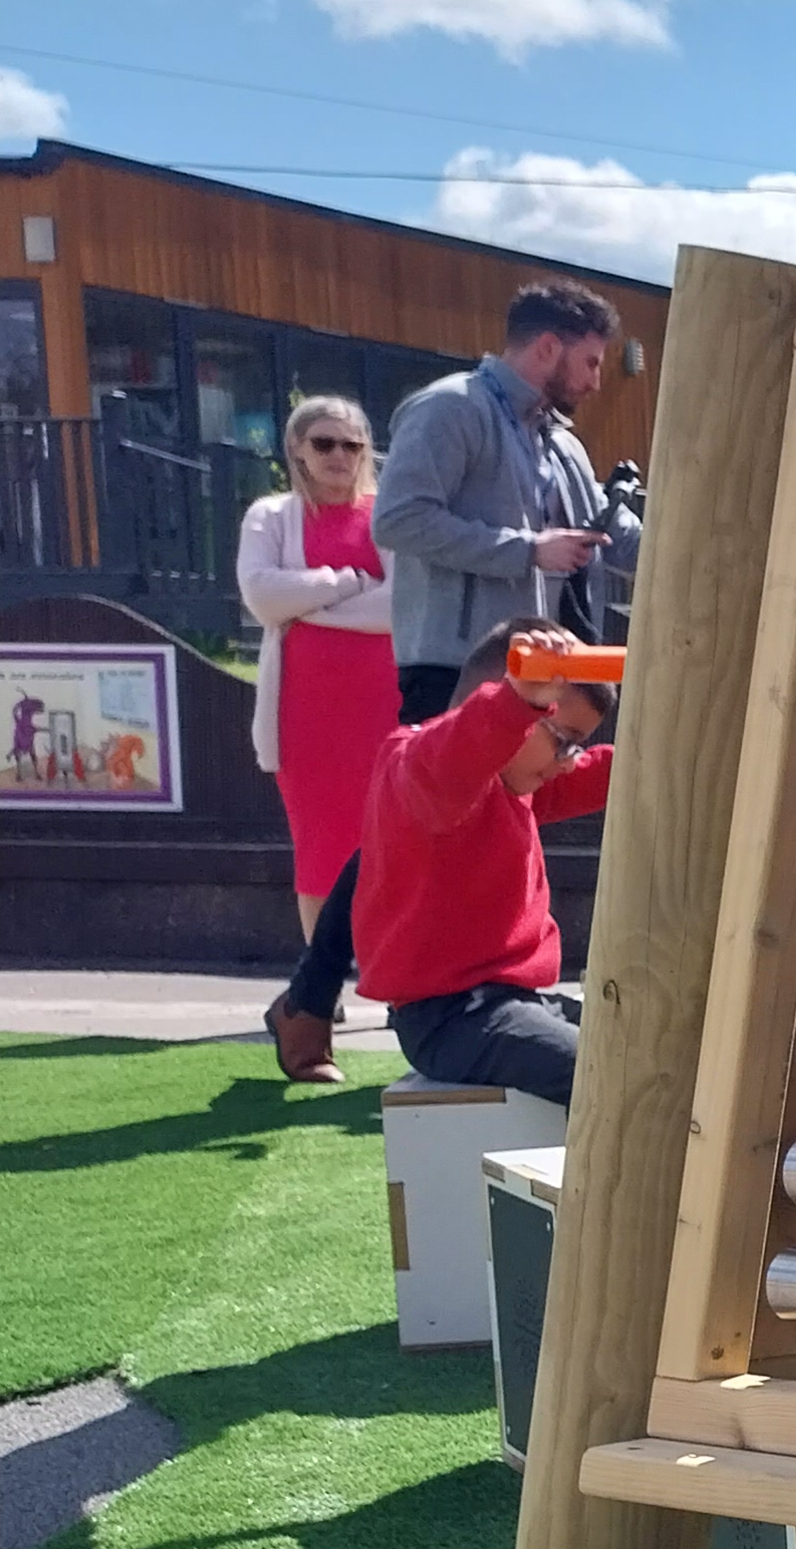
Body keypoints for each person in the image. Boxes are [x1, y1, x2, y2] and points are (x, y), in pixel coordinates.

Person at [260, 280, 637, 1084]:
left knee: (457, 824)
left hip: (547, 671)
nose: (599, 380)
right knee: (414, 822)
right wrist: (526, 551)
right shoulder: (451, 408)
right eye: (592, 361)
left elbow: (606, 533)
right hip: (468, 666)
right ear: (548, 347)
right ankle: (315, 996)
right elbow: (398, 519)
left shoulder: (559, 440)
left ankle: (313, 995)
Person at [357, 623, 613, 1105]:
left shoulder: (514, 780)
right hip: (449, 1019)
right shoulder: (420, 764)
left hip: (514, 1004)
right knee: (603, 1076)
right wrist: (518, 701)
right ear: (501, 704)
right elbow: (453, 758)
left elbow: (595, 775)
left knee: (644, 1046)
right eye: (563, 740)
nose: (566, 761)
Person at [236, 395, 398, 943]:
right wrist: (350, 581)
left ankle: (390, 973)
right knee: (320, 846)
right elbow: (261, 595)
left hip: (387, 708)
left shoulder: (389, 513)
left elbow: (403, 607)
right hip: (305, 716)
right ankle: (320, 987)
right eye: (324, 443)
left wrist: (307, 601)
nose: (339, 455)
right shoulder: (270, 516)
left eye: (352, 445)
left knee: (393, 842)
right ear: (297, 450)